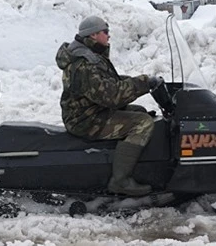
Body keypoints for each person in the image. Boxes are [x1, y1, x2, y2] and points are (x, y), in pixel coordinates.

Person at [55, 15, 162, 196]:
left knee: (139, 111)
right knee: (142, 123)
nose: (108, 36)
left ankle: (125, 164)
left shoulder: (88, 55)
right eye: (105, 32)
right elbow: (111, 96)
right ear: (94, 35)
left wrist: (139, 81)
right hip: (85, 120)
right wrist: (143, 84)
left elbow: (108, 83)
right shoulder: (85, 64)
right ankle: (120, 181)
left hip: (91, 111)